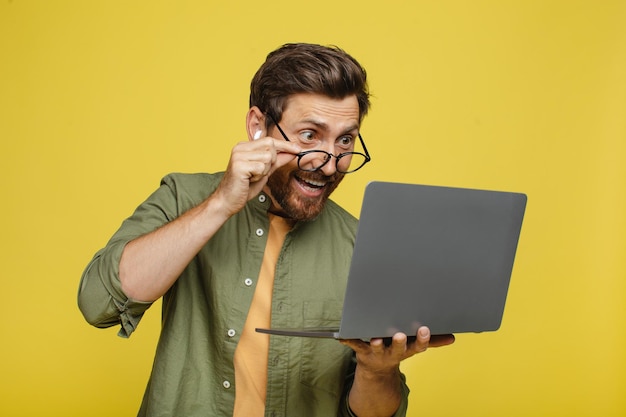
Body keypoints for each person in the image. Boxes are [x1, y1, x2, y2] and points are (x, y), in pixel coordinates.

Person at [78, 42, 454, 417]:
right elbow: (99, 303)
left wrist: (377, 370)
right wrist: (221, 204)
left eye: (344, 140)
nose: (329, 165)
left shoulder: (362, 247)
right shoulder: (185, 197)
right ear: (258, 126)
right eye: (309, 135)